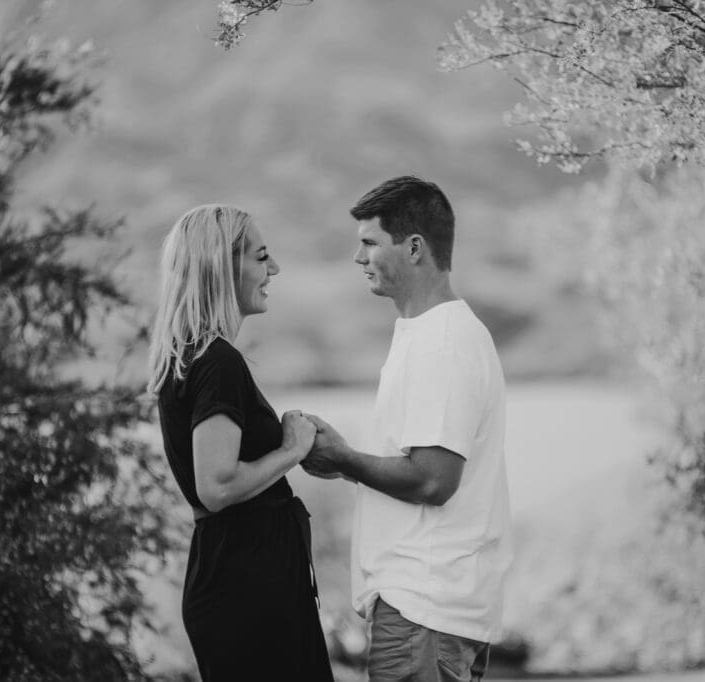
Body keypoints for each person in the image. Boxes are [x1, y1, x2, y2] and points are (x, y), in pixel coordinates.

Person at [301, 177, 513, 682]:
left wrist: (343, 458)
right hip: (427, 605)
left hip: (425, 606)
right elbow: (417, 466)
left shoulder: (443, 342)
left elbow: (432, 481)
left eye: (370, 242)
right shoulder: (427, 335)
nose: (359, 258)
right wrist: (348, 464)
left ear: (414, 247)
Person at [147, 204, 334, 681]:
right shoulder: (217, 361)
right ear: (222, 268)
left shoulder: (193, 356)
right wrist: (290, 450)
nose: (274, 270)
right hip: (247, 584)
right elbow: (217, 485)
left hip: (240, 575)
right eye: (262, 257)